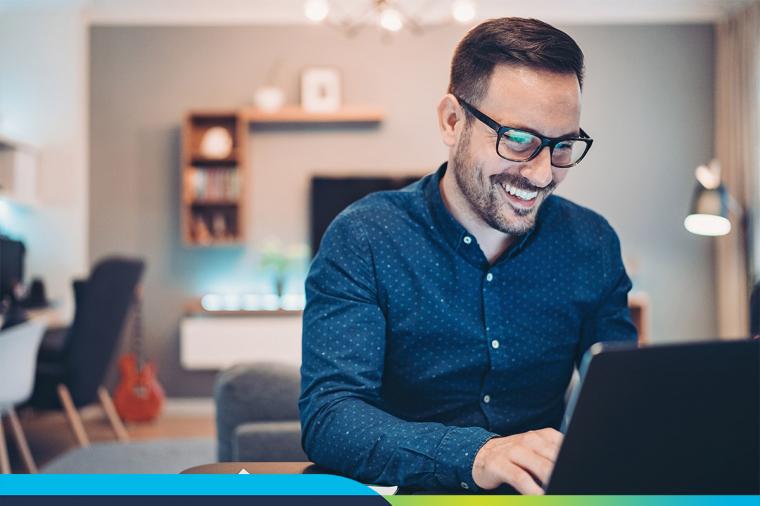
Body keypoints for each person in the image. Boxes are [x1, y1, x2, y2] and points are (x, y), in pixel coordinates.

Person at [299, 17, 637, 495]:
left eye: (563, 146)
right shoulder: (364, 237)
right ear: (452, 121)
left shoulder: (593, 243)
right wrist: (476, 455)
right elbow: (330, 417)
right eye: (519, 140)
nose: (542, 175)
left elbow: (619, 401)